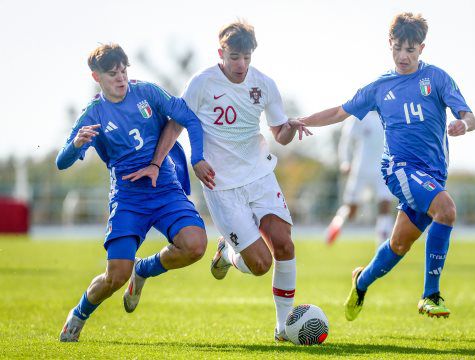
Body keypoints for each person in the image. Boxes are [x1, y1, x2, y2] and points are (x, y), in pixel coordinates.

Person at [299, 13, 475, 320]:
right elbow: (339, 112)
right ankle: (430, 295)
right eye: (397, 48)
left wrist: (463, 124)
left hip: (432, 174)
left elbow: (471, 117)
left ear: (421, 48)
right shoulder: (380, 88)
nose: (403, 56)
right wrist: (301, 121)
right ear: (389, 45)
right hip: (399, 169)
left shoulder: (436, 78)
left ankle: (361, 281)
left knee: (398, 244)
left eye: (410, 49)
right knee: (446, 210)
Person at [155, 21, 311, 341]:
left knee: (284, 243)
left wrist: (291, 126)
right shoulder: (202, 83)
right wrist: (158, 163)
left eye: (247, 57)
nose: (241, 65)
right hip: (221, 186)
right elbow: (176, 125)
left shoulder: (264, 84)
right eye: (235, 57)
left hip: (260, 176)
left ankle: (283, 329)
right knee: (260, 265)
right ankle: (226, 253)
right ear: (221, 53)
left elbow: (279, 134)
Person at [56, 43, 215, 342]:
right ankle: (79, 313)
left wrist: (197, 159)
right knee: (115, 276)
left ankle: (144, 270)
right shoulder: (94, 114)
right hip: (128, 198)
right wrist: (76, 145)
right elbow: (61, 162)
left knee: (195, 245)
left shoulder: (148, 93)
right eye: (113, 73)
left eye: (124, 71)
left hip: (164, 187)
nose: (121, 78)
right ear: (96, 77)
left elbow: (189, 118)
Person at [326, 111, 394, 246]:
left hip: (383, 169)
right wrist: (345, 162)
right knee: (351, 210)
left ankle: (382, 246)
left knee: (385, 204)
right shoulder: (359, 115)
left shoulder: (390, 113)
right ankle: (334, 227)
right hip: (361, 169)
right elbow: (346, 141)